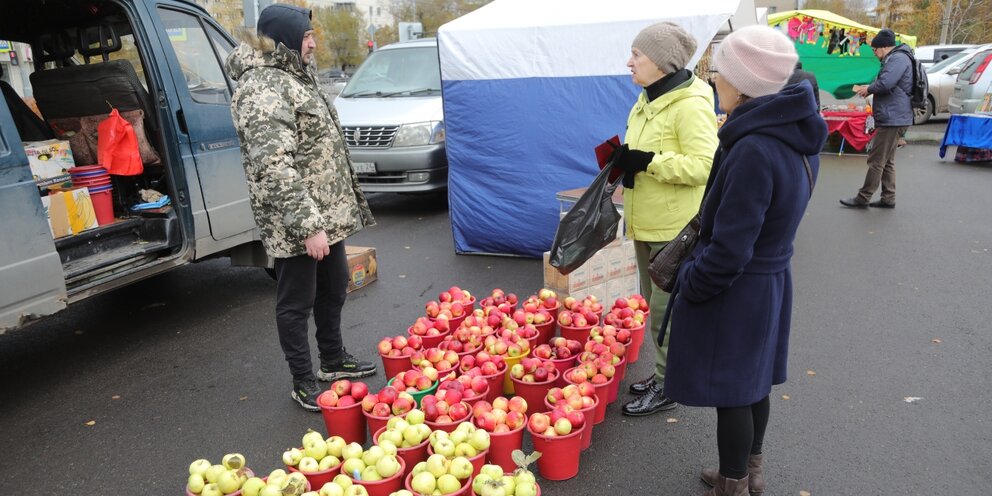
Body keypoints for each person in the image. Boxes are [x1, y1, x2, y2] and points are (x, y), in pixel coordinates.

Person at [661, 25, 827, 495]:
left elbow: (731, 248)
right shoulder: (793, 132)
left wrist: (692, 282)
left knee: (733, 390)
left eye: (719, 73)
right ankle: (749, 472)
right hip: (770, 280)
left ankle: (732, 482)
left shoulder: (754, 146)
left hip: (741, 287)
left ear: (744, 81)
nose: (713, 81)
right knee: (754, 384)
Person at [226, 3, 377, 411]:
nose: (313, 43)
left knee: (334, 285)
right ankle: (303, 379)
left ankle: (332, 359)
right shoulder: (262, 87)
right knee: (296, 301)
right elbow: (273, 166)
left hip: (325, 215)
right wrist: (309, 225)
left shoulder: (295, 75)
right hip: (297, 221)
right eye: (307, 36)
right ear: (287, 39)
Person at [610, 21, 719, 417]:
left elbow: (705, 166)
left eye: (636, 55)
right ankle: (662, 373)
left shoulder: (690, 105)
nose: (629, 62)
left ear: (660, 62)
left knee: (665, 310)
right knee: (653, 303)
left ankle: (667, 384)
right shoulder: (646, 99)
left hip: (673, 228)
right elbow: (643, 149)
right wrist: (624, 160)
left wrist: (649, 162)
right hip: (645, 221)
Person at [841, 28, 912, 209]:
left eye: (875, 50)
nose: (874, 53)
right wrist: (871, 87)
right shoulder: (899, 57)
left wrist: (869, 88)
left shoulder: (897, 58)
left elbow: (887, 83)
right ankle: (888, 198)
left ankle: (863, 198)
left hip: (893, 117)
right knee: (887, 161)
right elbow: (888, 83)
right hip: (895, 115)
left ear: (884, 47)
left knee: (876, 160)